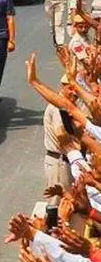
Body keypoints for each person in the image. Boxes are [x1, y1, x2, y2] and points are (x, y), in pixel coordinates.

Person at [43, 75, 77, 205]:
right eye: (71, 89)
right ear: (63, 87)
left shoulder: (65, 105)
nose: (74, 93)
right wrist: (77, 152)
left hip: (63, 160)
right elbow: (61, 134)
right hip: (59, 162)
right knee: (58, 203)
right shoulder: (57, 107)